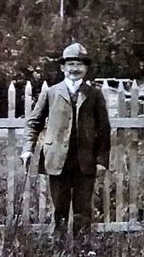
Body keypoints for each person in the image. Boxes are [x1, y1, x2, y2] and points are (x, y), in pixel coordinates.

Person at [21, 42, 110, 235]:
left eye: (79, 65)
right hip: (57, 159)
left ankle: (82, 246)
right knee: (59, 209)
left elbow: (104, 130)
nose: (75, 69)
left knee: (83, 211)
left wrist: (102, 160)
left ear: (85, 68)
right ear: (63, 67)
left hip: (84, 161)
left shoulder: (94, 95)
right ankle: (58, 245)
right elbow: (34, 123)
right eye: (71, 64)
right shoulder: (51, 93)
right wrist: (27, 149)